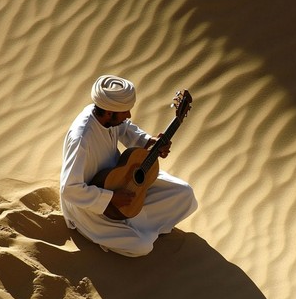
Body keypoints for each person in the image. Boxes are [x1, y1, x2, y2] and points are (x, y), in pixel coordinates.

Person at [60, 74, 197, 257]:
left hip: (121, 175)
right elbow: (69, 189)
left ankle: (133, 221)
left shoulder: (107, 117)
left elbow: (126, 128)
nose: (129, 115)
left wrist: (149, 141)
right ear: (109, 112)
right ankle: (109, 228)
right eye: (125, 112)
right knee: (142, 246)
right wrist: (111, 197)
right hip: (90, 203)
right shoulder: (81, 138)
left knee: (184, 194)